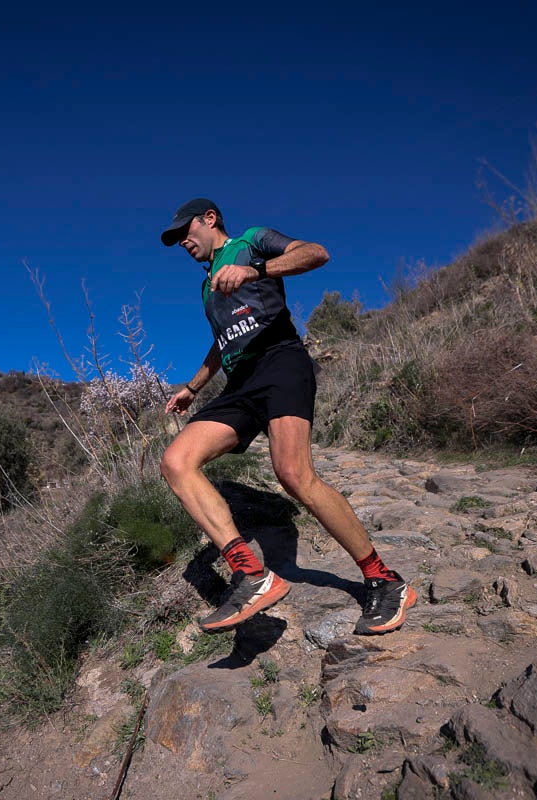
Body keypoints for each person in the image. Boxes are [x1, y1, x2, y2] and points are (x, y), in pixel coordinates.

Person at [158, 198, 416, 636]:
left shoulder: (251, 242)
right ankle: (251, 575)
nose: (183, 241)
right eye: (176, 238)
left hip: (280, 361)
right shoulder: (207, 288)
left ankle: (384, 579)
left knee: (294, 475)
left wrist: (255, 270)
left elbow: (316, 252)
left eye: (186, 230)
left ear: (210, 219)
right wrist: (192, 388)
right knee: (176, 462)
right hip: (240, 384)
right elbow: (223, 344)